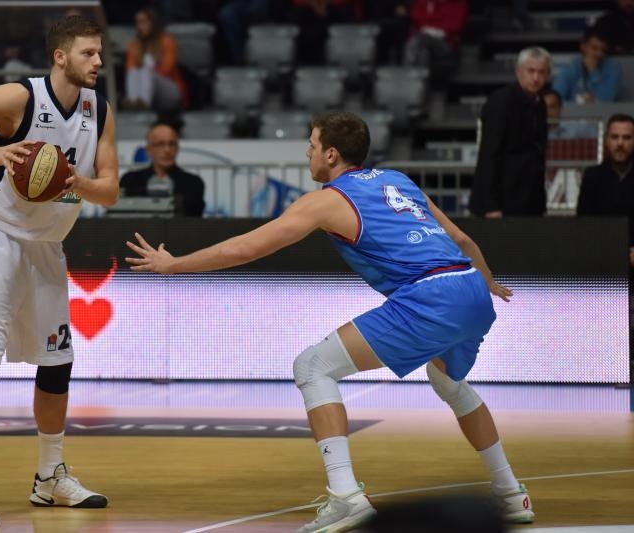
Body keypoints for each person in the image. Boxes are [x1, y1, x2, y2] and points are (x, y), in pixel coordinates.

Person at [125, 111, 535, 533]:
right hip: (471, 287)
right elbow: (462, 240)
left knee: (313, 366)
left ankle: (345, 497)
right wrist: (488, 283)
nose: (308, 152)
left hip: (431, 296)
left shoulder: (326, 200)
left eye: (313, 145)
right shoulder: (398, 179)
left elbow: (246, 249)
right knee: (450, 383)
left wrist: (175, 265)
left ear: (332, 154)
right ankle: (510, 494)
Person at [0, 14, 119, 527]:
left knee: (58, 365)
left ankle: (50, 477)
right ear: (60, 56)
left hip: (48, 247)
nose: (98, 61)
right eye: (88, 53)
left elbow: (111, 190)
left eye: (100, 53)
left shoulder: (100, 109)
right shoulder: (19, 98)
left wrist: (74, 180)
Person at [469, 46, 550, 218]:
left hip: (529, 200)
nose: (536, 78)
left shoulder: (540, 104)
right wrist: (492, 206)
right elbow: (489, 155)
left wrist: (540, 203)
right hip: (501, 202)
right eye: (531, 71)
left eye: (541, 72)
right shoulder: (501, 102)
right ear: (518, 71)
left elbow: (538, 156)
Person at [576, 113, 634, 267]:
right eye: (615, 137)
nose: (620, 143)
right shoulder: (592, 176)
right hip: (600, 258)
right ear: (606, 140)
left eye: (627, 138)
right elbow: (583, 222)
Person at [119, 122, 205, 217]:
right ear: (149, 149)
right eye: (160, 144)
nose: (167, 150)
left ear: (177, 148)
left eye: (171, 144)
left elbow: (195, 218)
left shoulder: (193, 183)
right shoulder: (130, 180)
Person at [124, 7, 187, 112]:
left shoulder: (167, 41)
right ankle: (133, 102)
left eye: (143, 22)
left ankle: (144, 104)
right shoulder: (134, 46)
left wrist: (147, 71)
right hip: (146, 89)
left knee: (146, 72)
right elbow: (130, 69)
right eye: (137, 23)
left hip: (169, 91)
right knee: (133, 72)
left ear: (153, 23)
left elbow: (167, 70)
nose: (139, 27)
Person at [402, 0, 469, 84]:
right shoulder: (422, 1)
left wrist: (428, 24)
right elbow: (415, 16)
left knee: (415, 42)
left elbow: (456, 25)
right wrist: (439, 21)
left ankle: (410, 83)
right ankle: (419, 86)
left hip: (445, 44)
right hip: (422, 42)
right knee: (423, 53)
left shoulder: (458, 3)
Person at [552, 28, 621, 104]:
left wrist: (593, 71)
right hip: (570, 114)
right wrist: (580, 103)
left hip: (602, 114)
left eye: (603, 50)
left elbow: (606, 101)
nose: (599, 54)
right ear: (583, 46)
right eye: (594, 48)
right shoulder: (569, 67)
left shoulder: (612, 68)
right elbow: (555, 101)